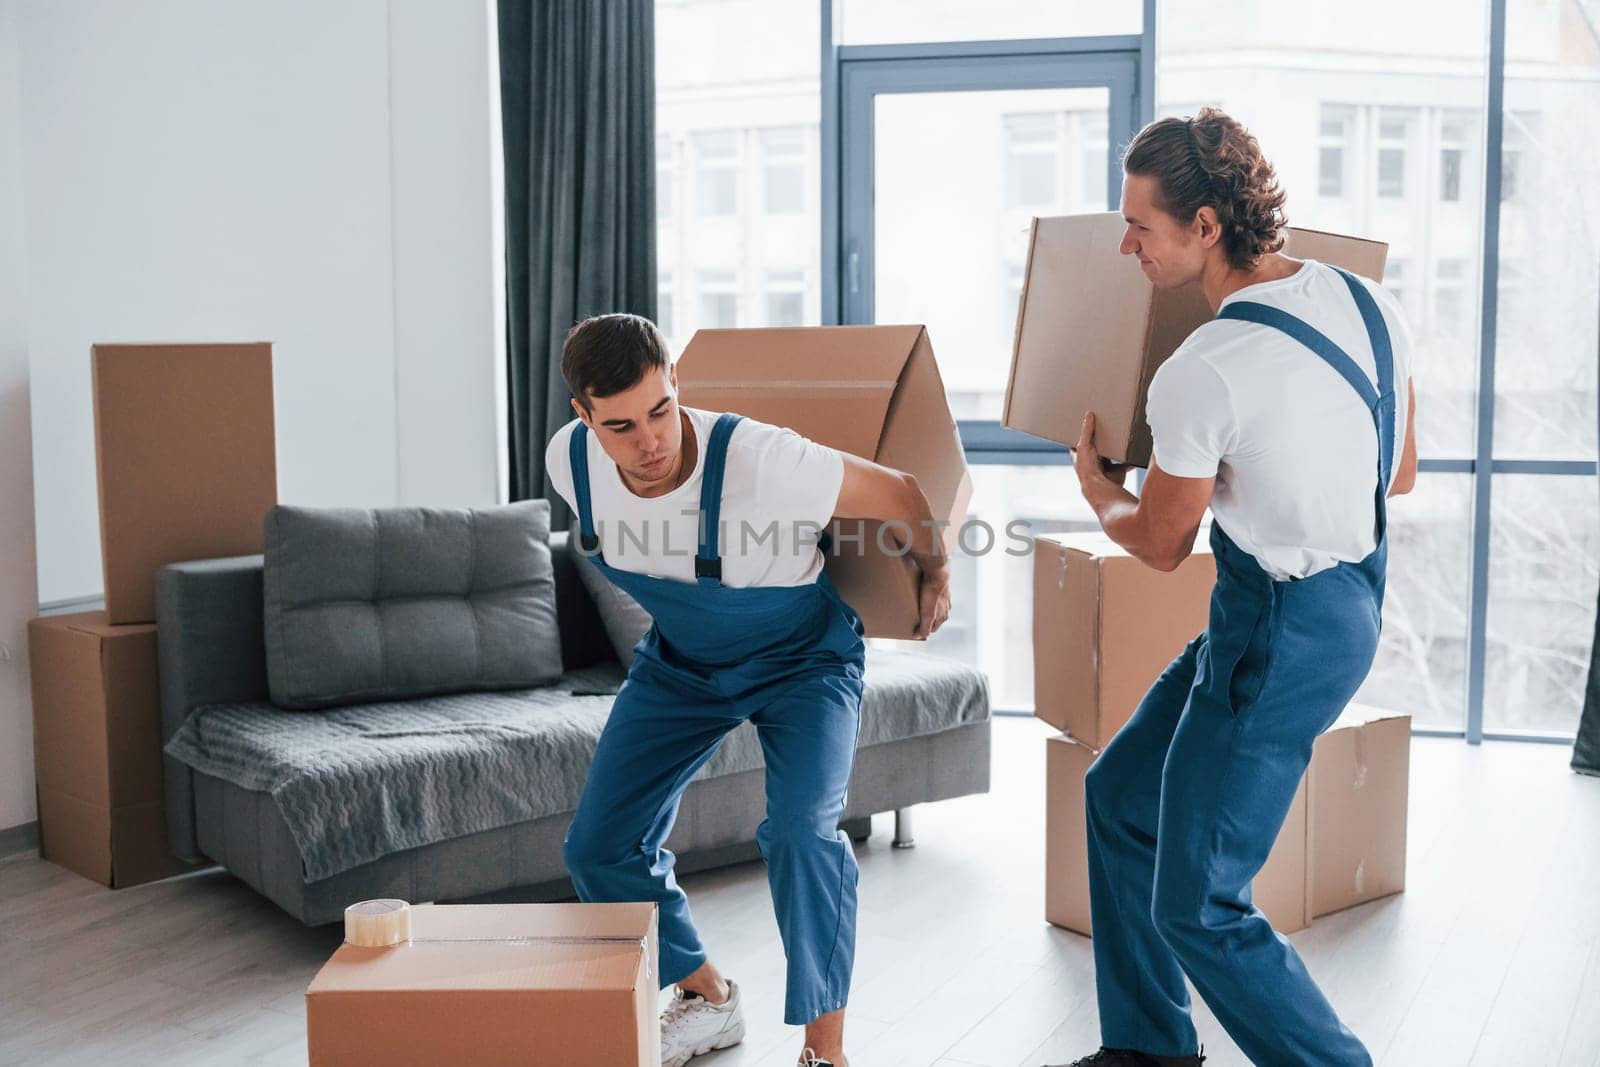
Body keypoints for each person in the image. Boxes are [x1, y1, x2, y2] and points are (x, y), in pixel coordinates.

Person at [1050, 106, 1419, 1067]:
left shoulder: (1203, 368)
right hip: (1348, 600)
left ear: (1206, 225)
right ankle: (1149, 1048)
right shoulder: (1362, 300)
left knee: (1201, 904)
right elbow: (1401, 469)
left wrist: (1100, 495)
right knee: (1120, 798)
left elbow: (1164, 542)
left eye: (1141, 226)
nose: (1125, 245)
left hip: (1275, 627)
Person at [546, 313, 952, 1067]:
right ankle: (708, 994)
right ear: (584, 416)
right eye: (622, 425)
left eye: (661, 409)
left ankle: (823, 1054)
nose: (651, 441)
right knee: (597, 846)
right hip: (684, 663)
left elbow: (900, 492)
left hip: (805, 660)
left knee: (804, 832)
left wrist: (938, 571)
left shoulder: (763, 460)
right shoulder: (569, 463)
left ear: (677, 384)